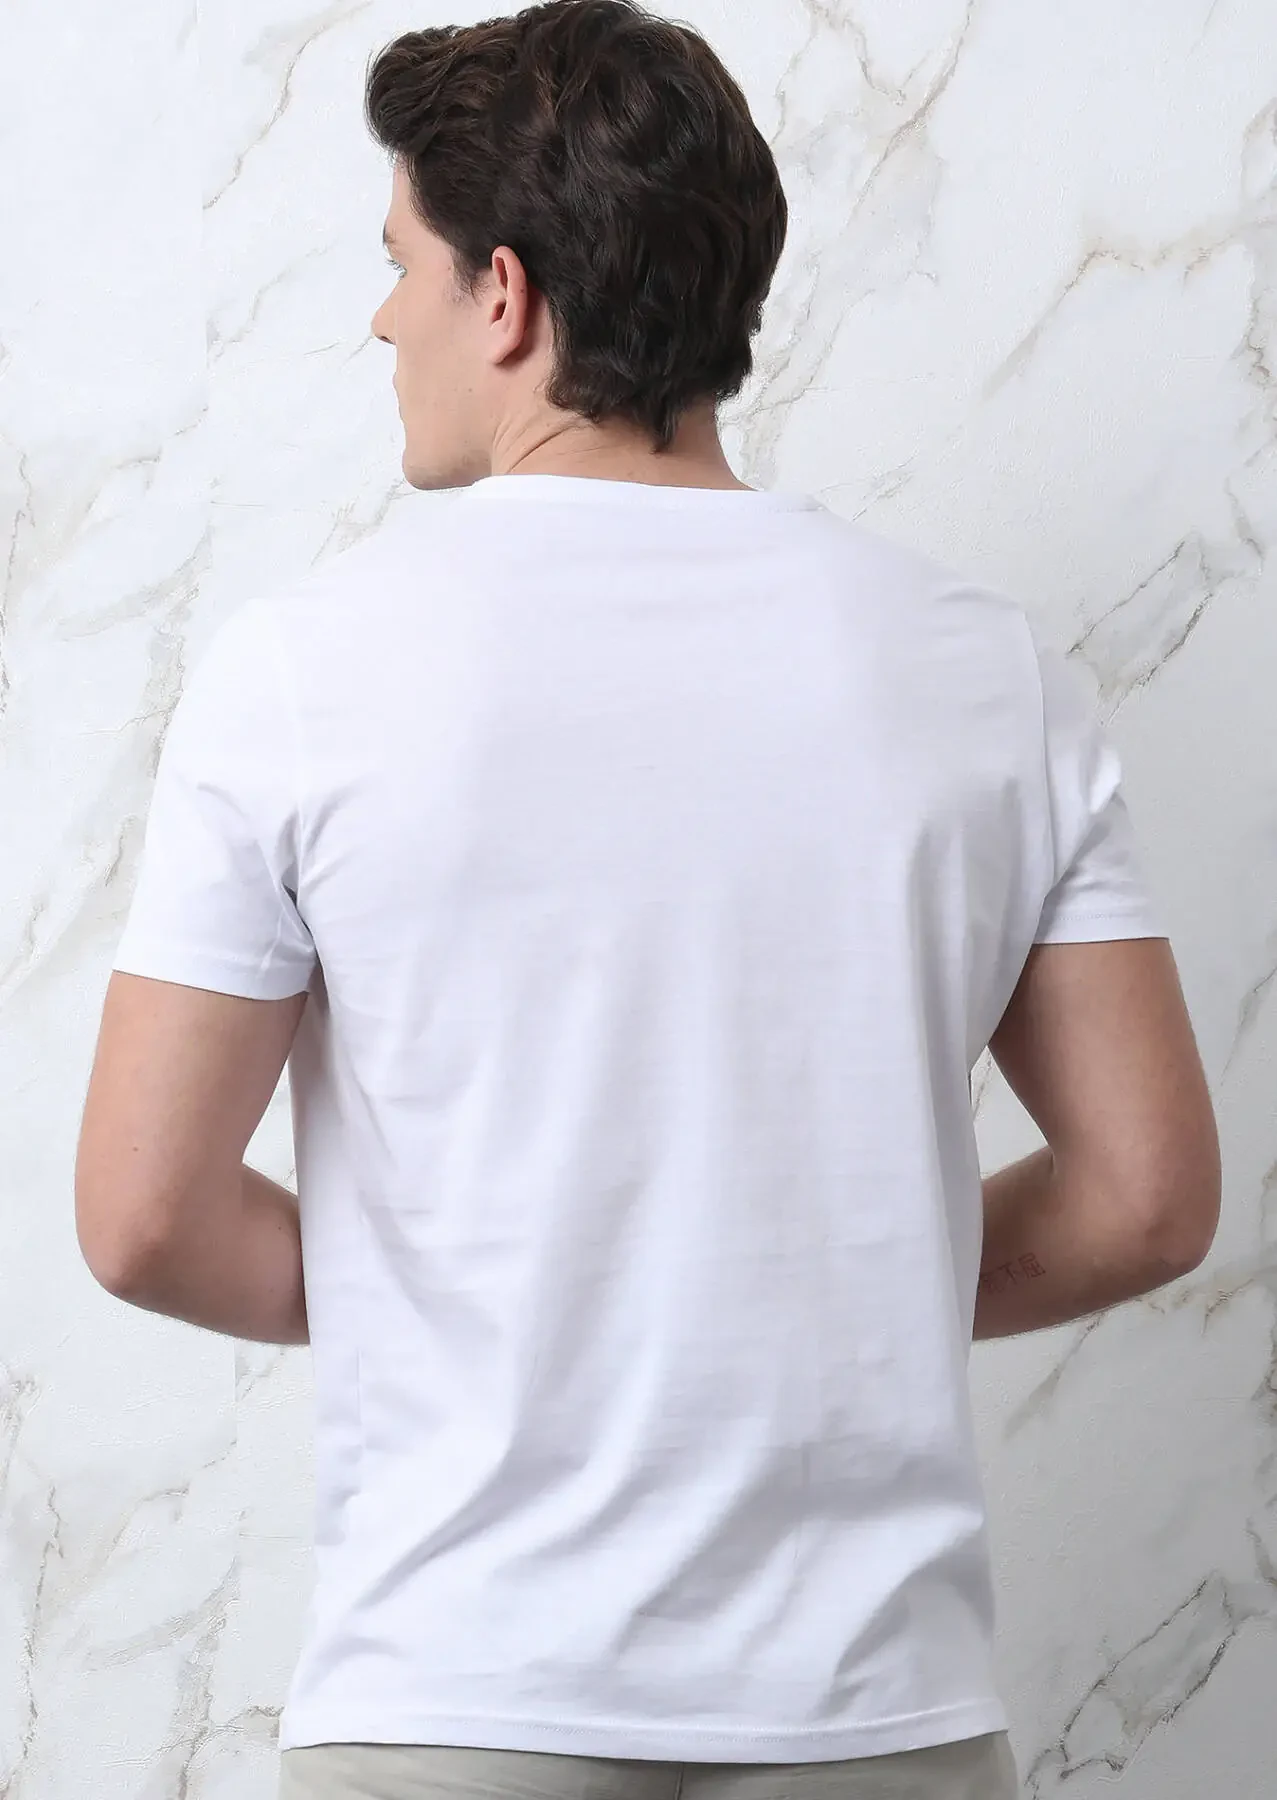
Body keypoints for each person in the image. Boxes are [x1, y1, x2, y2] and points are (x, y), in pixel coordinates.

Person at [74, 3, 1221, 1797]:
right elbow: (1146, 1197)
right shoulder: (989, 674)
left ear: (505, 296)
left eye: (401, 265)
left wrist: (473, 1303)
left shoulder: (303, 673)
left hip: (461, 1693)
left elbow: (144, 1217)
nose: (381, 320)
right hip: (873, 1706)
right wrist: (821, 1296)